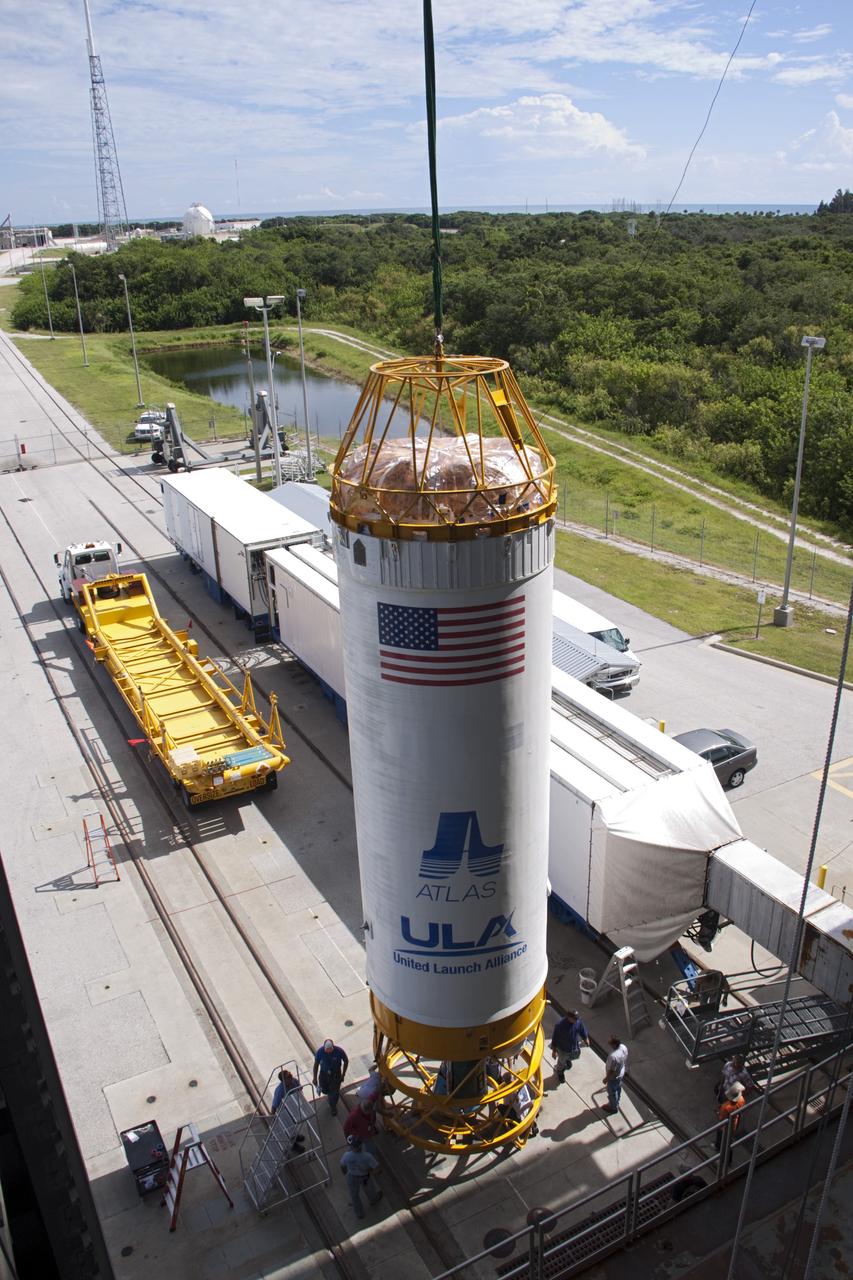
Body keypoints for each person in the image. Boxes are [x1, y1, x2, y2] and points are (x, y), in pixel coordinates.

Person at [340, 1135, 382, 1220]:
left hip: (351, 1176)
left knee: (354, 1195)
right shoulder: (367, 1156)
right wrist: (370, 1171)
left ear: (351, 1146)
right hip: (364, 1177)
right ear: (361, 1145)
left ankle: (359, 1213)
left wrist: (345, 1173)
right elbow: (378, 1169)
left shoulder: (346, 1155)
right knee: (370, 1190)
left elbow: (343, 1166)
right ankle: (373, 1200)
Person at [271, 1069, 306, 1154]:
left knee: (295, 1125)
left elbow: (299, 1087)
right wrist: (272, 1118)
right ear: (283, 1081)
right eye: (288, 1077)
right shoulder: (280, 1091)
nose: (291, 1077)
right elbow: (274, 1105)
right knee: (289, 1129)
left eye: (290, 1075)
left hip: (294, 1108)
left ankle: (295, 1136)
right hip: (284, 1113)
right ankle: (293, 1145)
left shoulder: (293, 1081)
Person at [550, 1010, 590, 1082]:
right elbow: (555, 1038)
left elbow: (582, 1029)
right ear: (569, 1017)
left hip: (574, 1047)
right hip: (563, 1049)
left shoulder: (577, 1021)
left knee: (574, 1056)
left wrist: (585, 1038)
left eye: (577, 1018)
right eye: (575, 1019)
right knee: (561, 1063)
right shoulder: (560, 1025)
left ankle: (568, 1060)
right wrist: (554, 1051)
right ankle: (560, 1073)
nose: (577, 1020)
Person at [313, 1038, 348, 1116]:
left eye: (330, 1049)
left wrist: (343, 1074)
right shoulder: (320, 1052)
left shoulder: (339, 1051)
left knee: (334, 1093)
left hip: (335, 1075)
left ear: (333, 1047)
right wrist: (315, 1078)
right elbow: (316, 1065)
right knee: (324, 1090)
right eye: (327, 1049)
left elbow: (346, 1061)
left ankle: (333, 1106)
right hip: (324, 1074)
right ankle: (329, 1094)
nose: (328, 1051)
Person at [715, 1081, 745, 1162]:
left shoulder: (726, 1107)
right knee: (728, 1142)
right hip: (735, 1123)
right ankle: (726, 1158)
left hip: (725, 1126)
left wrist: (718, 1113)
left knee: (724, 1141)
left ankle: (725, 1160)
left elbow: (721, 1118)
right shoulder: (741, 1100)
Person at [602, 1035, 628, 1114]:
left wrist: (606, 1079)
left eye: (610, 1042)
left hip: (613, 1077)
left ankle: (613, 1107)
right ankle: (616, 1101)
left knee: (612, 1092)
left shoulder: (613, 1056)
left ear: (614, 1044)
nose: (608, 1043)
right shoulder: (623, 1047)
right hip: (621, 1073)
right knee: (618, 1088)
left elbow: (611, 1071)